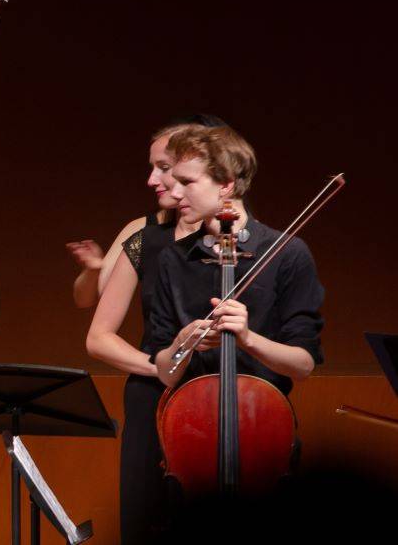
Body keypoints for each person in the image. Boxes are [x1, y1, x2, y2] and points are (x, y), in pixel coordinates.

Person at [76, 115, 225, 544]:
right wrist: (159, 366)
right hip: (153, 400)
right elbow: (98, 335)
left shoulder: (238, 239)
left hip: (222, 396)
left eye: (164, 167)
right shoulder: (146, 238)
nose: (154, 179)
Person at [149, 124, 323, 396]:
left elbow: (303, 366)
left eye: (187, 182)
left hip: (262, 418)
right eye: (175, 182)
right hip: (193, 421)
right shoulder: (172, 259)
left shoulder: (287, 253)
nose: (176, 193)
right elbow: (165, 374)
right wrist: (181, 344)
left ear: (226, 184)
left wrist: (247, 338)